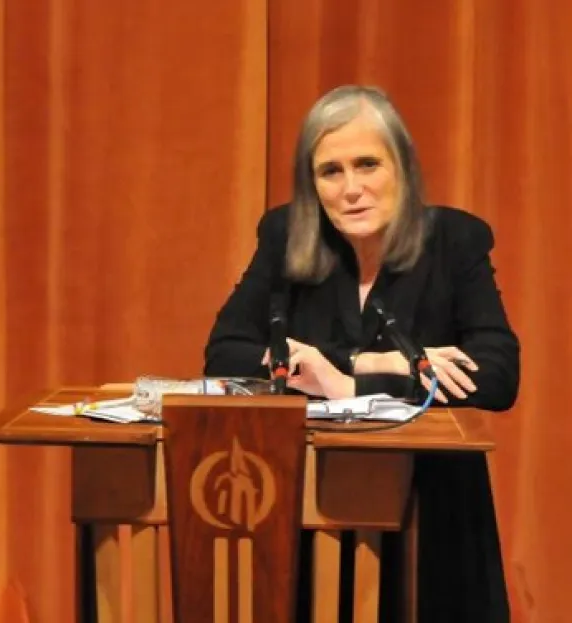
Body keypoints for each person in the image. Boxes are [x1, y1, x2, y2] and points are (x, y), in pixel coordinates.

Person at [204, 85, 519, 622]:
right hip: (312, 511)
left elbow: (495, 375)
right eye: (331, 171)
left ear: (403, 168)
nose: (351, 189)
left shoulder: (455, 242)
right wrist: (372, 363)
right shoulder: (285, 237)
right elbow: (226, 354)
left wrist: (348, 384)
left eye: (368, 164)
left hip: (431, 514)